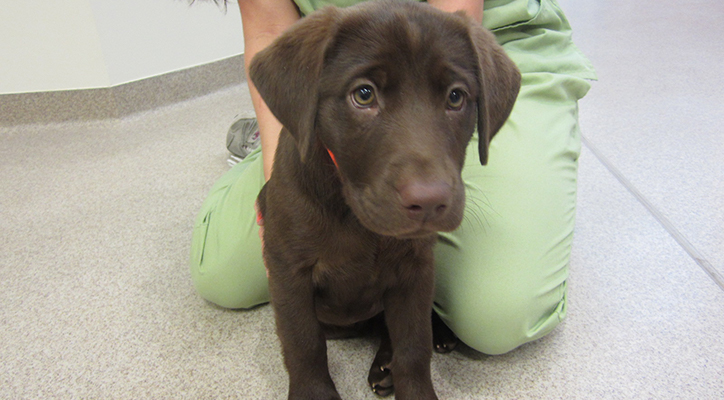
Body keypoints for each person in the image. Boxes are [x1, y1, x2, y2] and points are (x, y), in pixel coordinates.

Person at [190, 0, 595, 356]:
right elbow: (269, 28)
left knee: (499, 314)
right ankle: (260, 143)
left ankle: (419, 96)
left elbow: (449, 37)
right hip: (332, 63)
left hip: (480, 39)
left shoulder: (461, 54)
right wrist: (282, 186)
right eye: (366, 95)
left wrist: (449, 122)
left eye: (454, 98)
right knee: (221, 276)